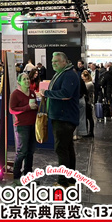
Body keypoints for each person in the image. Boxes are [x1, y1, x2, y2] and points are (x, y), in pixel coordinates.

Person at [37, 52, 80, 187]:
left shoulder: (69, 75)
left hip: (64, 118)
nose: (53, 64)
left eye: (56, 61)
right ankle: (70, 179)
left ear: (64, 62)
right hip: (61, 117)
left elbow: (66, 94)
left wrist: (46, 93)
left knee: (61, 150)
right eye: (52, 62)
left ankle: (63, 182)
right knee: (67, 149)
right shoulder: (63, 73)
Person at [9, 73, 37, 184]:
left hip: (33, 125)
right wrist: (27, 107)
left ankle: (28, 174)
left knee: (30, 151)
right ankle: (16, 175)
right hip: (21, 126)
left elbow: (34, 107)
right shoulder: (15, 94)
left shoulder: (32, 93)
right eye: (24, 79)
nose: (27, 81)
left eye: (27, 79)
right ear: (19, 82)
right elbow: (12, 110)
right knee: (22, 151)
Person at [81, 70, 95, 137]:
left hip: (88, 102)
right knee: (87, 117)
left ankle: (90, 131)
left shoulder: (89, 84)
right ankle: (87, 131)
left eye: (83, 77)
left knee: (89, 118)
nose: (82, 79)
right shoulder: (89, 84)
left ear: (86, 77)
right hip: (88, 102)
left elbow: (85, 91)